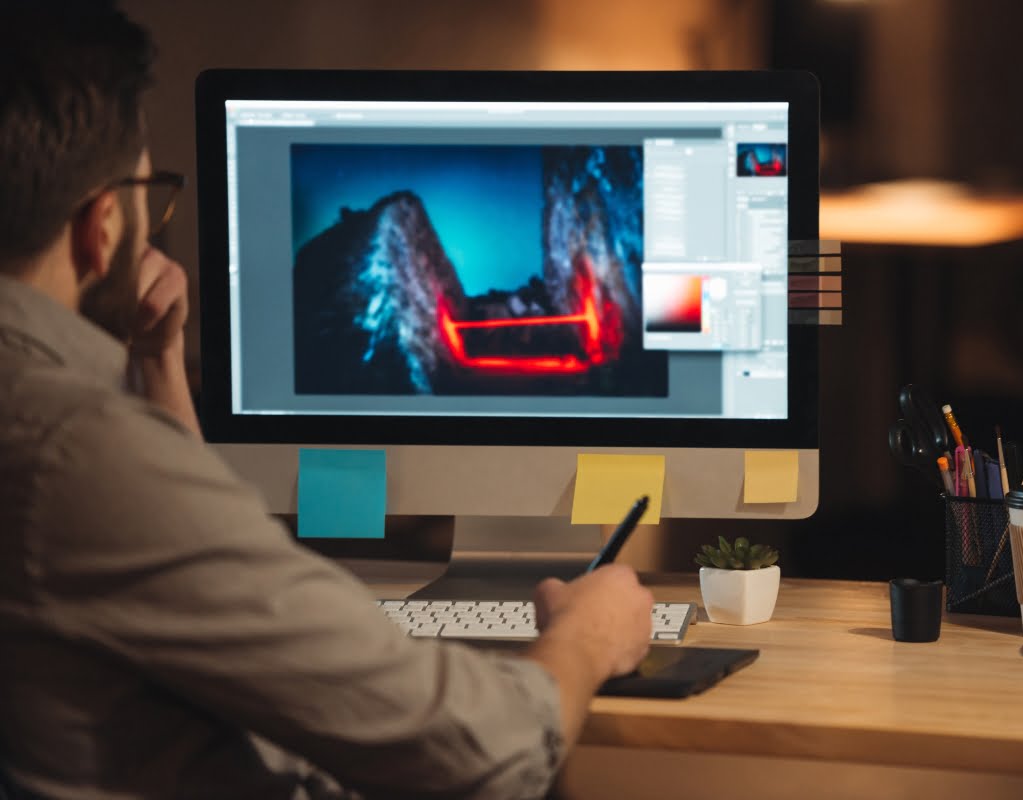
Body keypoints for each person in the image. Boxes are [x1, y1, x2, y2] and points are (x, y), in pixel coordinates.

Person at [0, 3, 654, 798]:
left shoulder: (59, 429)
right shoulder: (75, 452)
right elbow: (481, 750)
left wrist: (157, 355)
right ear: (101, 227)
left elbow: (190, 546)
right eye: (148, 190)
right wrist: (587, 636)